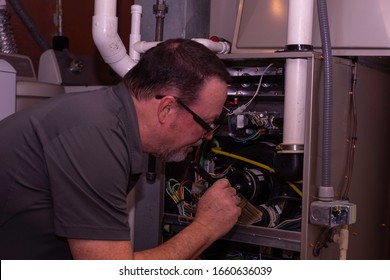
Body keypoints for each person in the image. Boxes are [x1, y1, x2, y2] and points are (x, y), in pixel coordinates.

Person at [0, 38, 241, 260]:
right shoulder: (96, 138)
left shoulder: (108, 118)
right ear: (167, 109)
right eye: (207, 123)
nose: (208, 136)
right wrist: (207, 227)